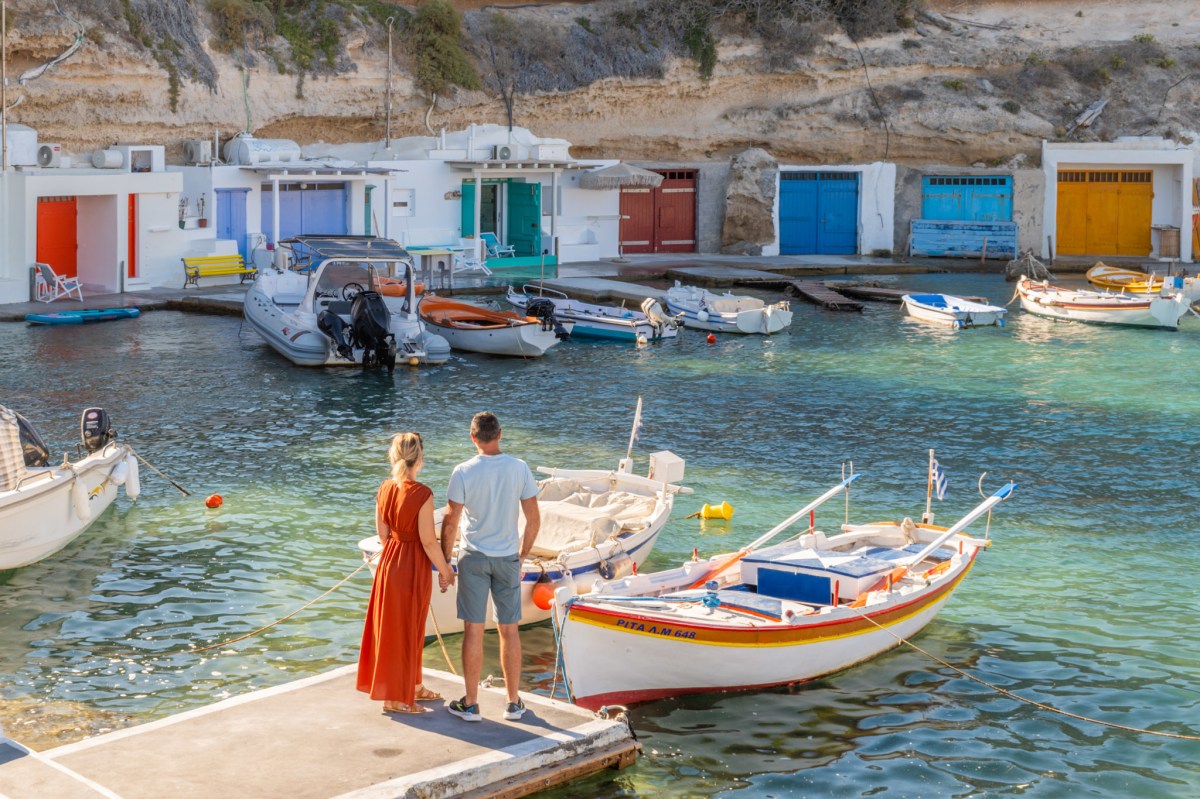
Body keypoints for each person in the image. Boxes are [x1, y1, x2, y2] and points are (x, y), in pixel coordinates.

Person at [441, 412, 540, 722]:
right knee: (509, 630)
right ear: (500, 434)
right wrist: (522, 555)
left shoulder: (463, 471)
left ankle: (471, 704)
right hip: (508, 557)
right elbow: (534, 519)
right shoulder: (519, 468)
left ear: (473, 438)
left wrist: (446, 561)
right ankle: (513, 703)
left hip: (473, 557)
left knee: (473, 630)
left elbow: (450, 521)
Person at [357, 432, 455, 715]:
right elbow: (427, 540)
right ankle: (394, 699)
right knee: (406, 629)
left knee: (402, 628)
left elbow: (383, 534)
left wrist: (394, 557)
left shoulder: (385, 488)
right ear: (420, 458)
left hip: (390, 561)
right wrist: (446, 569)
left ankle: (413, 686)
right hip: (412, 564)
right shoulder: (422, 493)